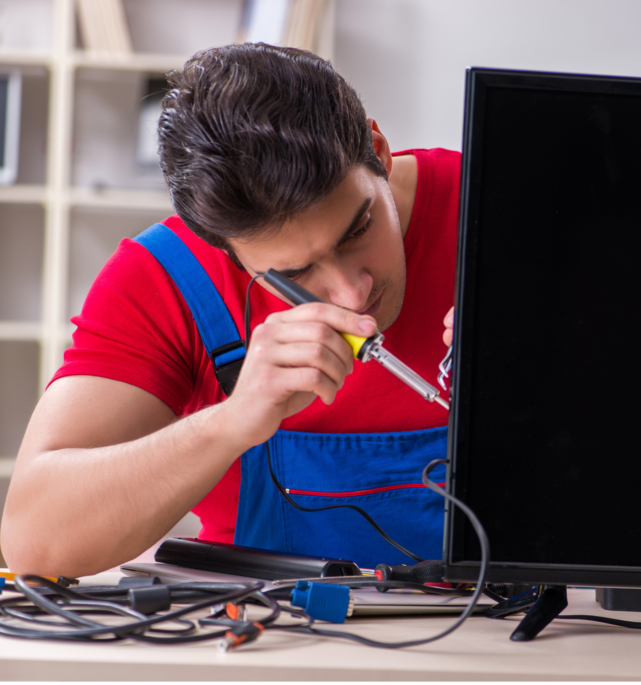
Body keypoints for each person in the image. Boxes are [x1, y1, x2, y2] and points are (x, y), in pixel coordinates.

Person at [0, 43, 460, 577]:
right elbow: (34, 541)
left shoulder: (507, 211)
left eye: (358, 229)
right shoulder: (169, 277)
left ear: (377, 149)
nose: (351, 295)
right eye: (293, 276)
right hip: (264, 640)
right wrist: (231, 422)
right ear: (224, 249)